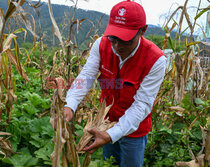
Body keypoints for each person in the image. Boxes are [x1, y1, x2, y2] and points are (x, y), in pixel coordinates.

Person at [63, 0, 167, 166]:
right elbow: (86, 77)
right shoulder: (101, 45)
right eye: (113, 38)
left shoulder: (156, 60)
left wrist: (111, 135)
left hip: (134, 130)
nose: (117, 46)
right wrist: (69, 105)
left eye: (126, 41)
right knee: (109, 163)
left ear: (143, 31)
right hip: (105, 123)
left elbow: (142, 105)